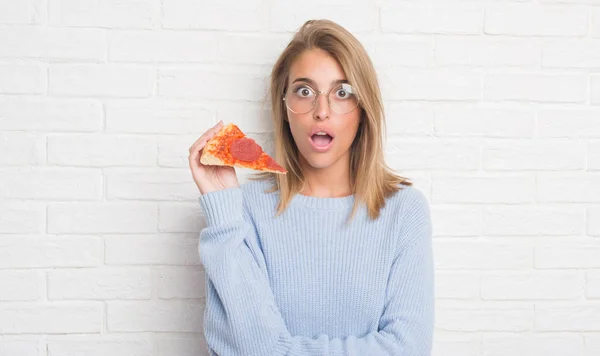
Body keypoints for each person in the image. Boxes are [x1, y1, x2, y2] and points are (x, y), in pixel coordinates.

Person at [188, 19, 434, 356]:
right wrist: (223, 211)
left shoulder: (404, 210)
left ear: (362, 109)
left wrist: (281, 350)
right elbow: (230, 347)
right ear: (284, 107)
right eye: (304, 91)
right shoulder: (240, 208)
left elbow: (408, 349)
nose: (321, 111)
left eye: (342, 92)